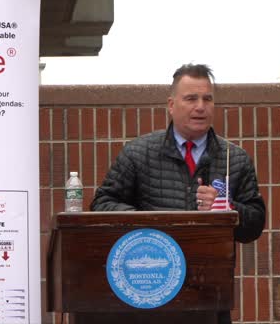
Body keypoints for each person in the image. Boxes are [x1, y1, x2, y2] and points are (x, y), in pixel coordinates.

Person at [91, 64, 266, 324]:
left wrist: (228, 208)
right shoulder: (139, 153)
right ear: (171, 105)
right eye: (191, 98)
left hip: (208, 296)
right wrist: (149, 222)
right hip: (149, 292)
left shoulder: (234, 159)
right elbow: (101, 204)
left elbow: (255, 225)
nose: (200, 107)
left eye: (207, 99)